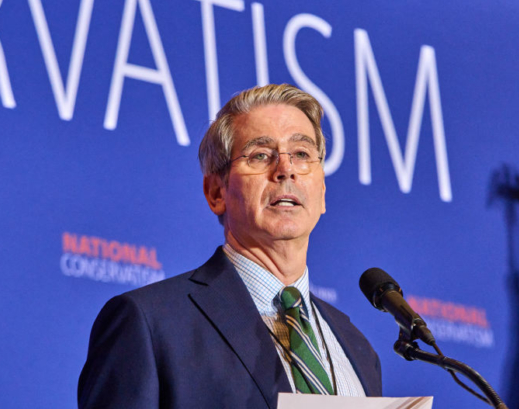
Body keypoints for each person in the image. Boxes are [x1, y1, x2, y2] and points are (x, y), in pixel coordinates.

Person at [78, 84, 382, 408]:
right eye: (261, 155)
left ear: (322, 190)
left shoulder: (357, 348)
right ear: (216, 193)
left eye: (302, 154)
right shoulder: (151, 324)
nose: (285, 169)